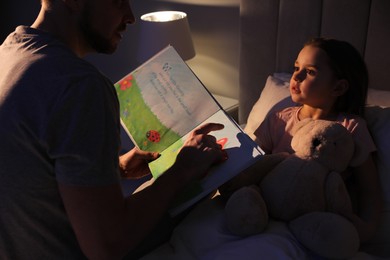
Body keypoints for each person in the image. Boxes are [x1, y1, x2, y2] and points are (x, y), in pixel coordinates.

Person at [0, 0, 227, 259]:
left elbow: (29, 172)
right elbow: (106, 246)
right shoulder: (79, 86)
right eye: (119, 2)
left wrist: (114, 168)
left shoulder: (9, 54)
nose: (130, 17)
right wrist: (181, 171)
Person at [252, 38, 382, 244]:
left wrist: (366, 229)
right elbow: (253, 165)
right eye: (296, 67)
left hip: (316, 221)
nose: (296, 76)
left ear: (338, 87)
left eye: (310, 71)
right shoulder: (278, 118)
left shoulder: (350, 128)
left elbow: (370, 191)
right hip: (269, 212)